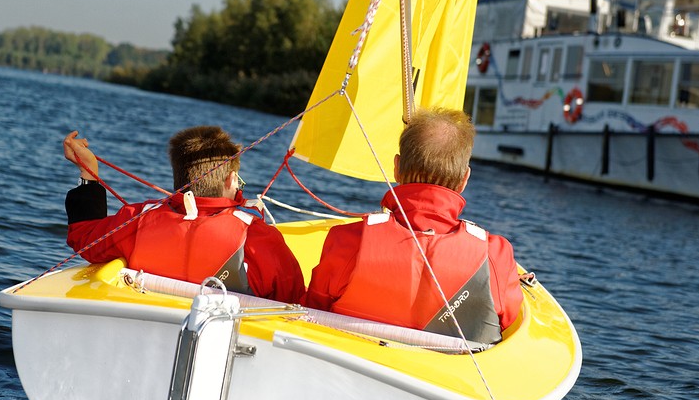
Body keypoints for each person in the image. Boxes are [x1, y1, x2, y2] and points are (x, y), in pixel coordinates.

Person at [303, 107, 523, 345]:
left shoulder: (346, 241)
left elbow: (312, 309)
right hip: (449, 379)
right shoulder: (495, 256)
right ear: (464, 179)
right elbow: (510, 324)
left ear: (396, 167)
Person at [63, 125, 306, 304]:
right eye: (238, 181)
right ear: (232, 179)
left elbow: (83, 238)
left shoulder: (138, 219)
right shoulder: (258, 239)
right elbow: (297, 305)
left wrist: (89, 174)